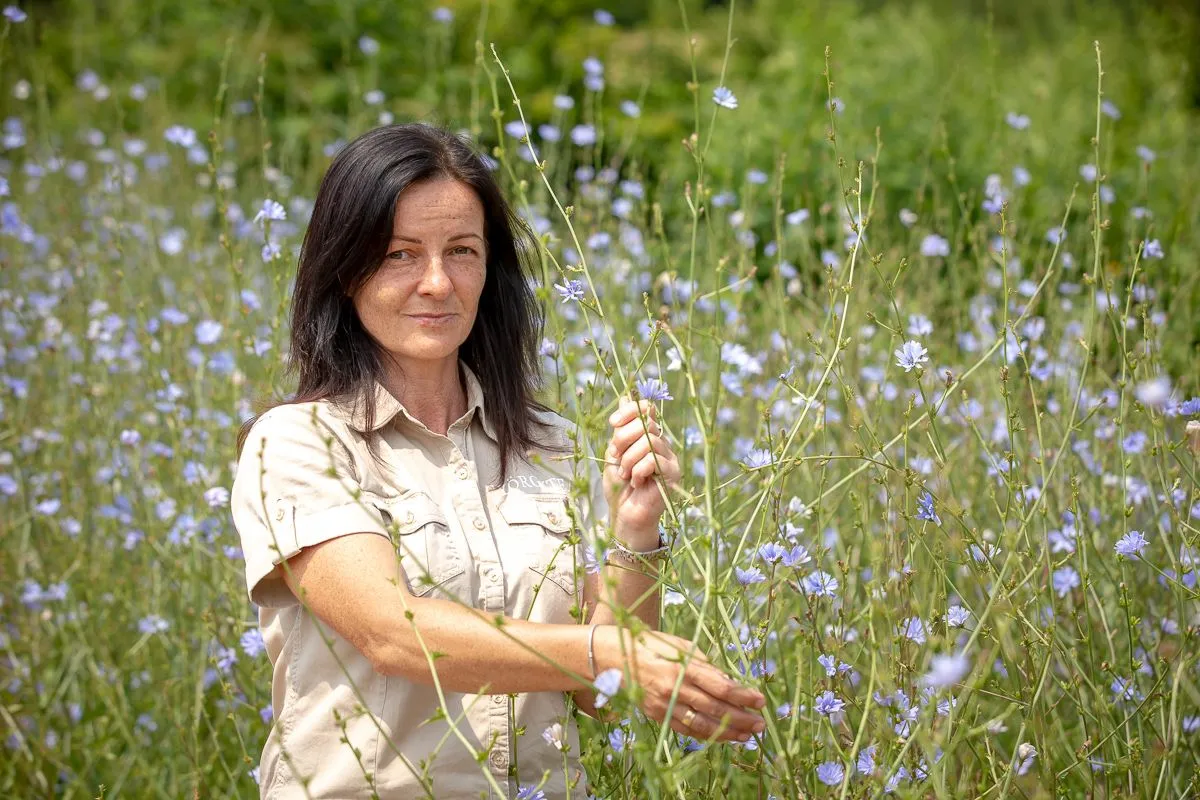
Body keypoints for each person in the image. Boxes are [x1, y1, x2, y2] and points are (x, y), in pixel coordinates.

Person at [230, 122, 767, 800]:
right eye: (399, 254)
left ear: (490, 270)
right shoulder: (300, 443)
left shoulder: (553, 446)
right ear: (344, 270)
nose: (436, 282)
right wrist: (614, 655)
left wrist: (634, 532)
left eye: (462, 251)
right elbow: (394, 634)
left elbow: (602, 700)